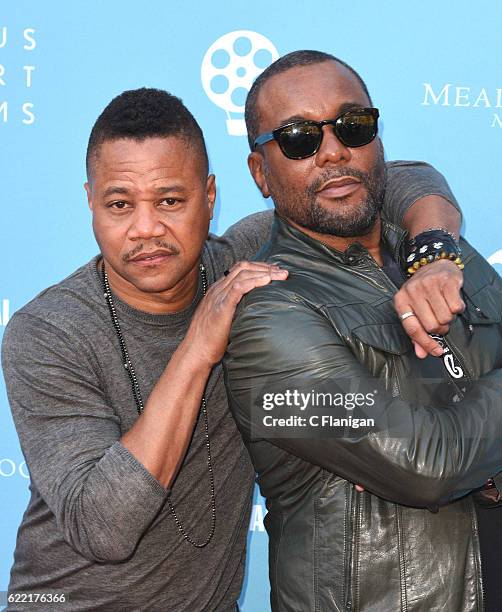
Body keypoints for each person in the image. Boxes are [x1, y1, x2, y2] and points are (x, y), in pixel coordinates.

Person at [1, 87, 463, 611]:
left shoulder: (245, 260)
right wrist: (198, 347)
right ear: (91, 201)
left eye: (170, 201)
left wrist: (434, 253)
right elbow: (103, 528)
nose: (146, 228)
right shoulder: (48, 331)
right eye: (120, 204)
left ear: (210, 196)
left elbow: (397, 180)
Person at [224, 51, 502, 612]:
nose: (333, 151)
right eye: (299, 138)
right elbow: (425, 467)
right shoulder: (264, 318)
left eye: (353, 126)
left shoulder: (441, 256)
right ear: (260, 173)